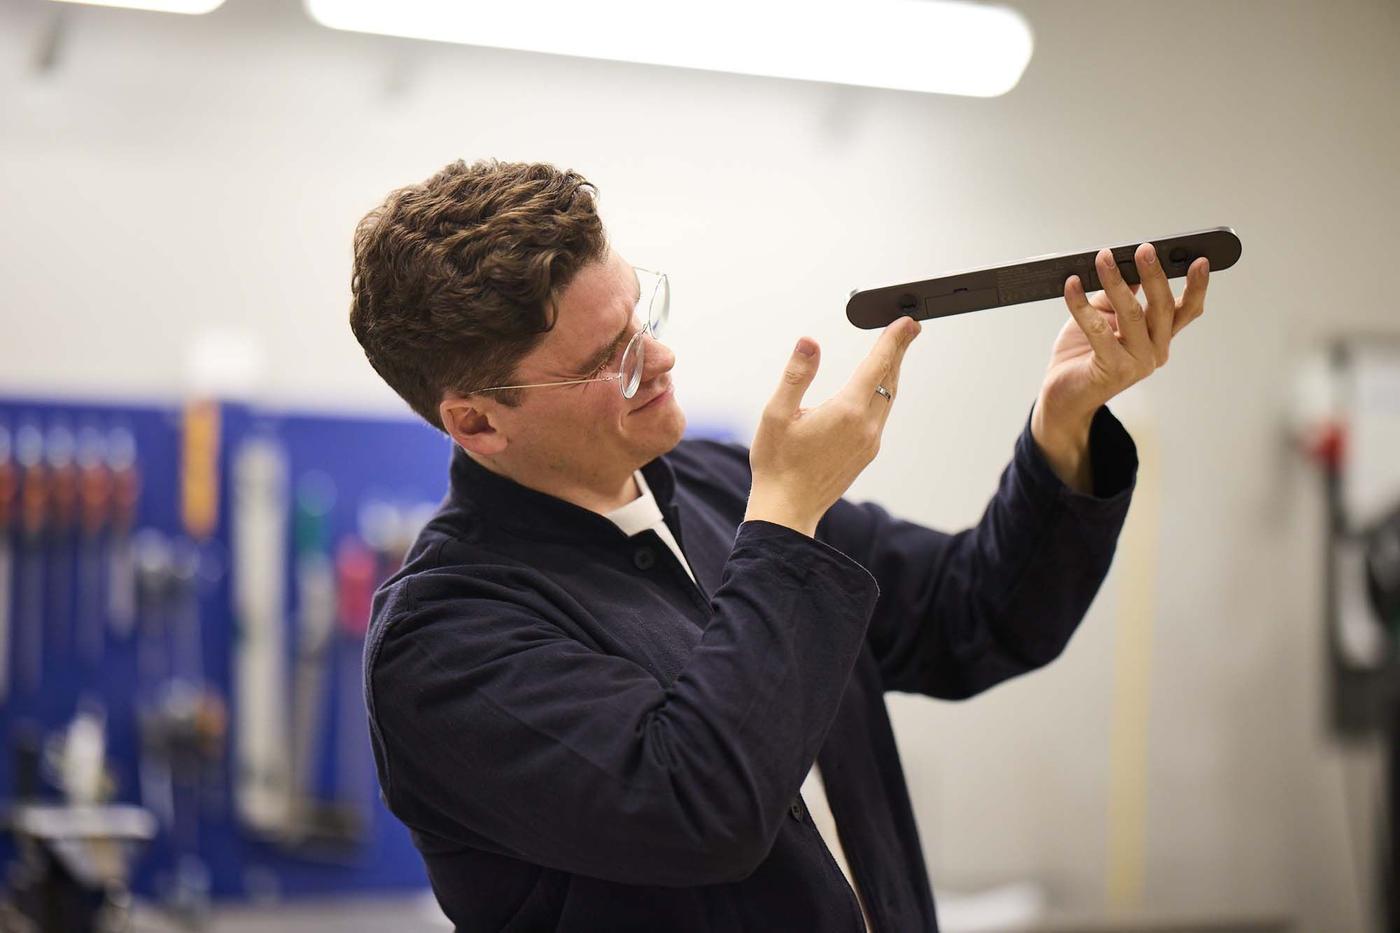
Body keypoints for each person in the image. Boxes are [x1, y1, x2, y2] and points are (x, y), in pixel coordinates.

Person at [347, 159, 1209, 932]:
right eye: (611, 359)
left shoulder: (729, 487)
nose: (662, 355)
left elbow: (975, 616)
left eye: (642, 311)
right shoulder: (443, 644)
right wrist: (788, 518)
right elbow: (699, 808)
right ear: (477, 421)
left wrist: (1065, 415)